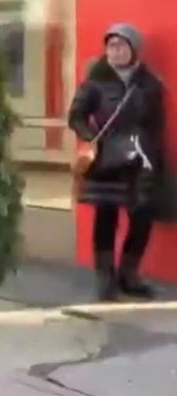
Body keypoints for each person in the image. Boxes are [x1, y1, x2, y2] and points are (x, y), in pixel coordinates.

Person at [68, 23, 167, 301]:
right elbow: (76, 117)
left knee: (142, 216)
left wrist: (154, 154)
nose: (115, 51)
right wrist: (93, 138)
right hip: (107, 159)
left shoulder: (149, 83)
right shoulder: (95, 80)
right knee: (106, 217)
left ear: (134, 49)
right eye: (111, 46)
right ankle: (105, 278)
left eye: (121, 46)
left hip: (140, 159)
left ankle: (129, 275)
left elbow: (156, 123)